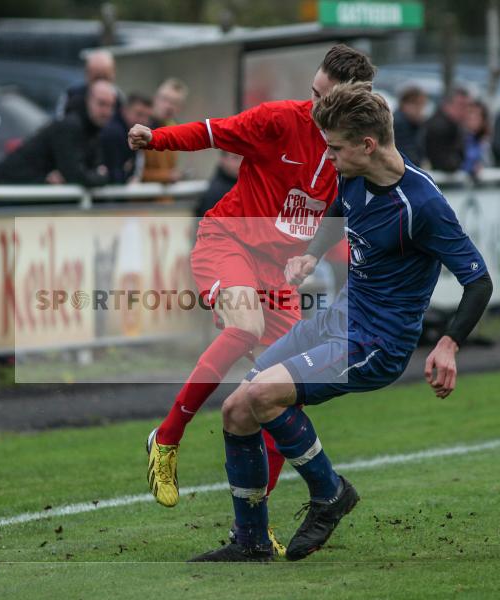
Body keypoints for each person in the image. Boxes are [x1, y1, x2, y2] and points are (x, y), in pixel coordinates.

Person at [188, 81, 493, 563]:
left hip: (378, 342)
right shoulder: (351, 175)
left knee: (265, 394)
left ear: (367, 145)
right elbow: (336, 209)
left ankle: (330, 494)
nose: (326, 158)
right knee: (238, 407)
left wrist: (449, 344)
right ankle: (249, 542)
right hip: (338, 319)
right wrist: (310, 255)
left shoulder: (422, 205)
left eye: (334, 149)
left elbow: (479, 282)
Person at [128, 45, 376, 528]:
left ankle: (254, 531)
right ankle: (167, 437)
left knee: (282, 393)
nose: (315, 107)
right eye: (313, 94)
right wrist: (154, 138)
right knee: (245, 325)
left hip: (278, 273)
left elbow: (349, 211)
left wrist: (315, 256)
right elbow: (210, 131)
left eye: (326, 100)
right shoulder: (280, 121)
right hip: (228, 241)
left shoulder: (353, 149)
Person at [0, 79, 116, 185]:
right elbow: (76, 176)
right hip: (4, 190)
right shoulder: (71, 126)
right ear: (88, 101)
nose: (107, 112)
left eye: (111, 106)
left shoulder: (93, 129)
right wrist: (100, 177)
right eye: (101, 104)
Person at [141, 78, 189, 184]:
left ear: (180, 108)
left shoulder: (175, 129)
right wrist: (167, 176)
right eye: (165, 99)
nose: (169, 106)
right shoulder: (141, 127)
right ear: (155, 99)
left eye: (175, 103)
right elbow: (137, 173)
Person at [100, 93, 153, 184]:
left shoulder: (133, 134)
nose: (143, 121)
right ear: (125, 110)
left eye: (147, 116)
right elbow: (115, 175)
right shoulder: (114, 133)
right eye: (139, 114)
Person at [56, 50, 118, 119]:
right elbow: (61, 123)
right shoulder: (71, 96)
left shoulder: (118, 98)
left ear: (113, 74)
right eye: (96, 78)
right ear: (87, 74)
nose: (101, 84)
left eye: (105, 77)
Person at [423, 87, 471, 172]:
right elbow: (444, 162)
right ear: (447, 105)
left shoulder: (457, 127)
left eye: (467, 106)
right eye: (461, 105)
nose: (465, 110)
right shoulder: (438, 127)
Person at [195, 151, 243, 217]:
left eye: (244, 158)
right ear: (223, 160)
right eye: (236, 158)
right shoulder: (215, 193)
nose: (241, 162)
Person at [392, 85, 427, 165]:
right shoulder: (397, 123)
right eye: (416, 104)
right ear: (405, 104)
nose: (420, 109)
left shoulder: (415, 124)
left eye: (422, 105)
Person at [462, 99, 491, 175]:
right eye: (470, 113)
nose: (472, 118)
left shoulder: (489, 141)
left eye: (477, 115)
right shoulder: (459, 140)